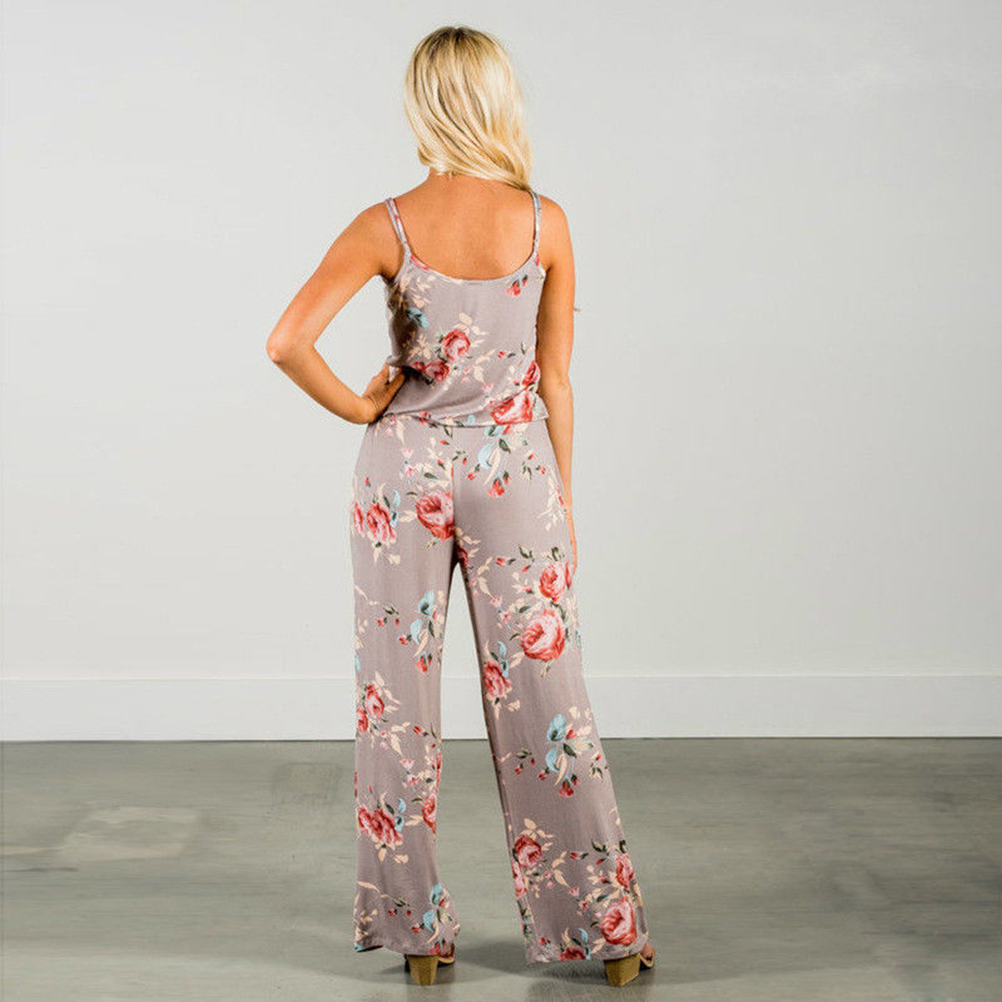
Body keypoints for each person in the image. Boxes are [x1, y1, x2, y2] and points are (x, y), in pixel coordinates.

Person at [266, 24, 656, 988]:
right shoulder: (546, 223)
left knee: (393, 702)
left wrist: (362, 405)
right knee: (548, 701)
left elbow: (287, 342)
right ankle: (602, 935)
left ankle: (418, 935)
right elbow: (556, 380)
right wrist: (561, 497)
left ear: (423, 105)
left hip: (401, 471)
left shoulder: (386, 224)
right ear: (497, 101)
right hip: (514, 470)